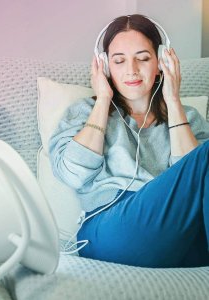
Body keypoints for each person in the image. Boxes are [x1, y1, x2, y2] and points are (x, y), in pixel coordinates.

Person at [48, 14, 209, 268]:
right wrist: (102, 99)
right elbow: (73, 174)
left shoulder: (188, 117)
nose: (132, 70)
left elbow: (192, 182)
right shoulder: (85, 112)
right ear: (105, 66)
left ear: (161, 61)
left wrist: (174, 101)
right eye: (119, 61)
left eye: (143, 58)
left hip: (176, 233)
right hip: (110, 228)